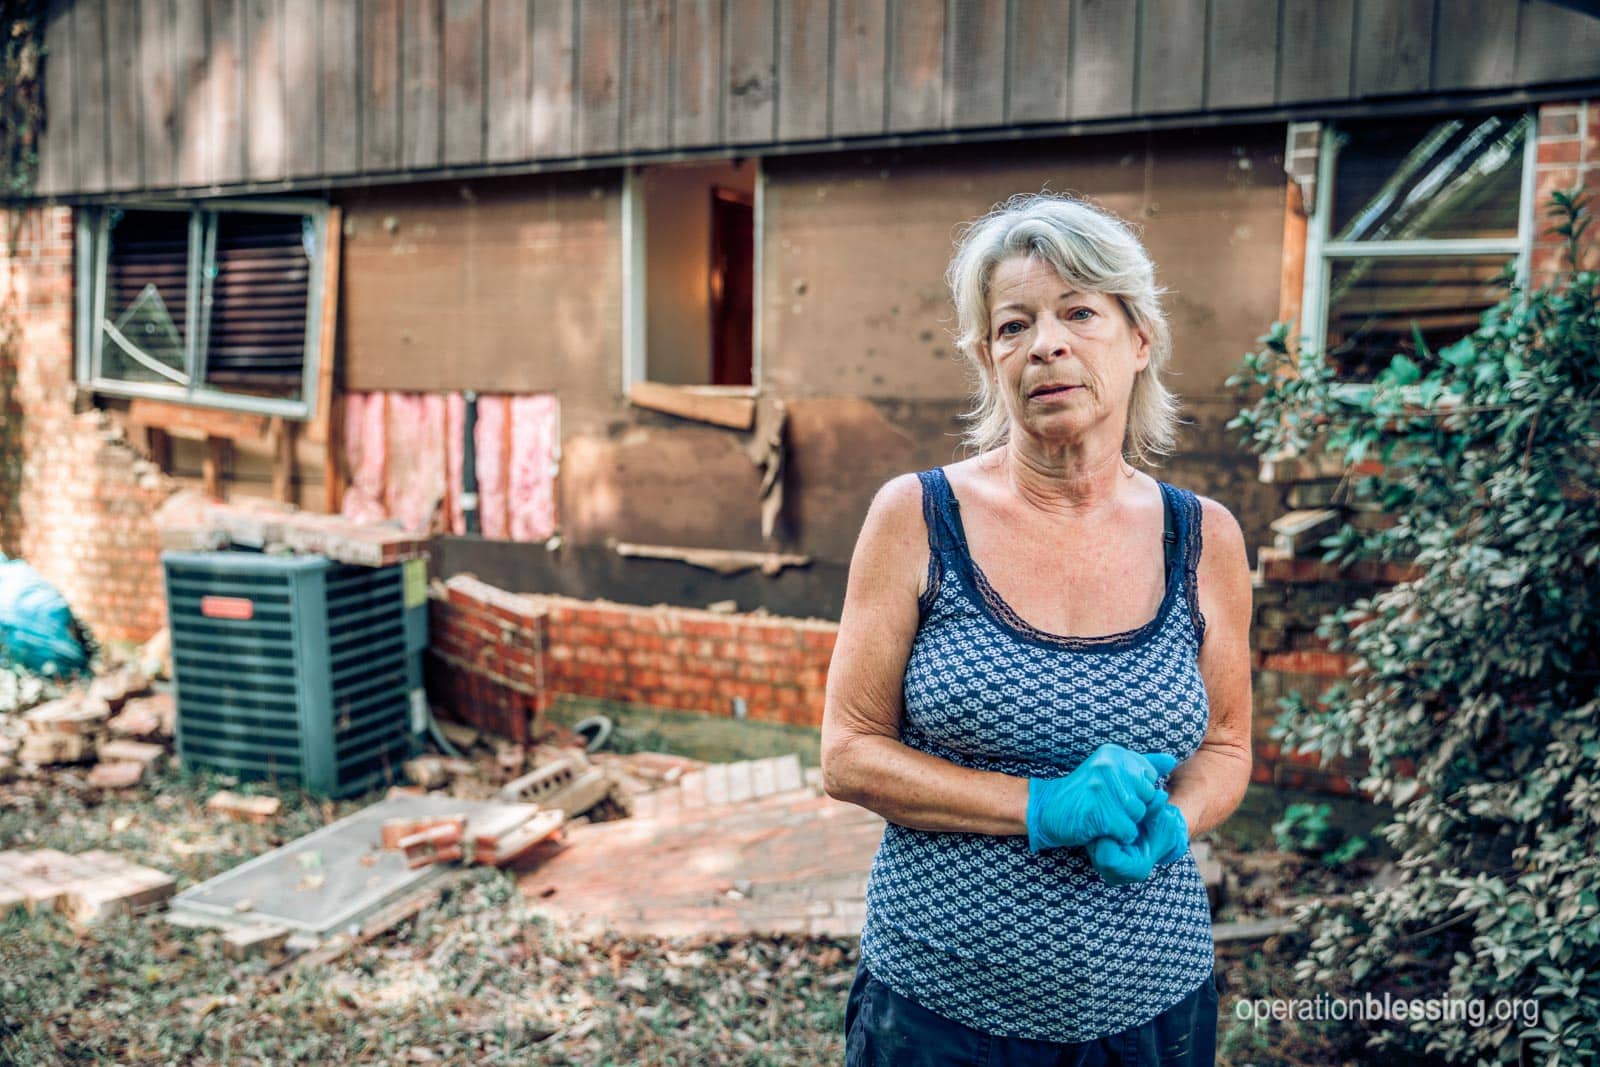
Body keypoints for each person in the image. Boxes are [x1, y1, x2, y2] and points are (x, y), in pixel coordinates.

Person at [821, 192, 1254, 1065]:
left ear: (1139, 340)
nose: (1046, 342)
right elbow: (849, 751)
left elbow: (1230, 746)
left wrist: (1177, 817)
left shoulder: (1203, 537)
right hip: (940, 1013)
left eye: (1080, 312)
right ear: (989, 357)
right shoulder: (916, 516)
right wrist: (1042, 805)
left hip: (1152, 1009)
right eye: (1013, 324)